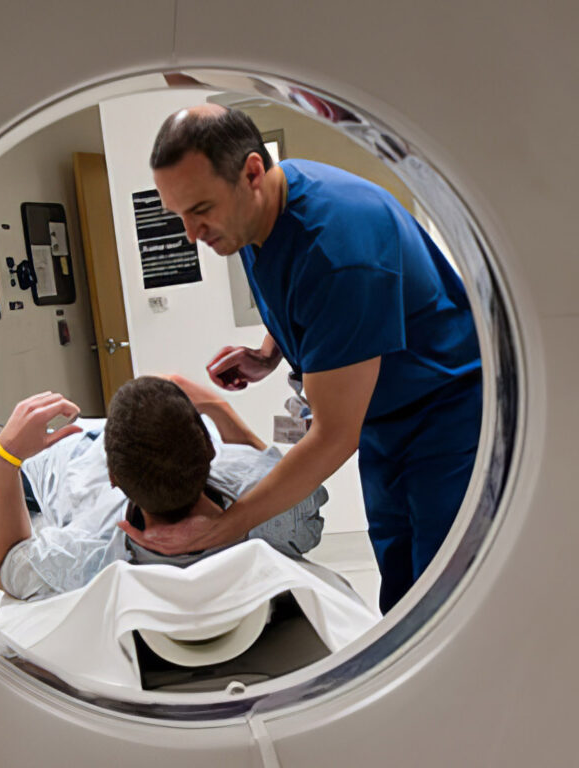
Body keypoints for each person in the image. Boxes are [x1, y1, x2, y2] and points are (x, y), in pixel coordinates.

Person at [127, 104, 483, 613]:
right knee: (400, 580)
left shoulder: (339, 248)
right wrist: (270, 352)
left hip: (445, 417)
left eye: (200, 210)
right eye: (178, 215)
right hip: (384, 419)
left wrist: (228, 525)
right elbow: (295, 292)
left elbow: (334, 435)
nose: (190, 234)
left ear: (252, 171)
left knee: (442, 597)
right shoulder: (257, 215)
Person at [0, 376, 327, 601]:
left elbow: (0, 567)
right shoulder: (286, 512)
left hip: (74, 462)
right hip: (143, 461)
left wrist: (5, 459)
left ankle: (24, 466)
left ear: (113, 478)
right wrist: (221, 409)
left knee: (59, 459)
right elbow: (264, 468)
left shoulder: (87, 552)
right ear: (209, 447)